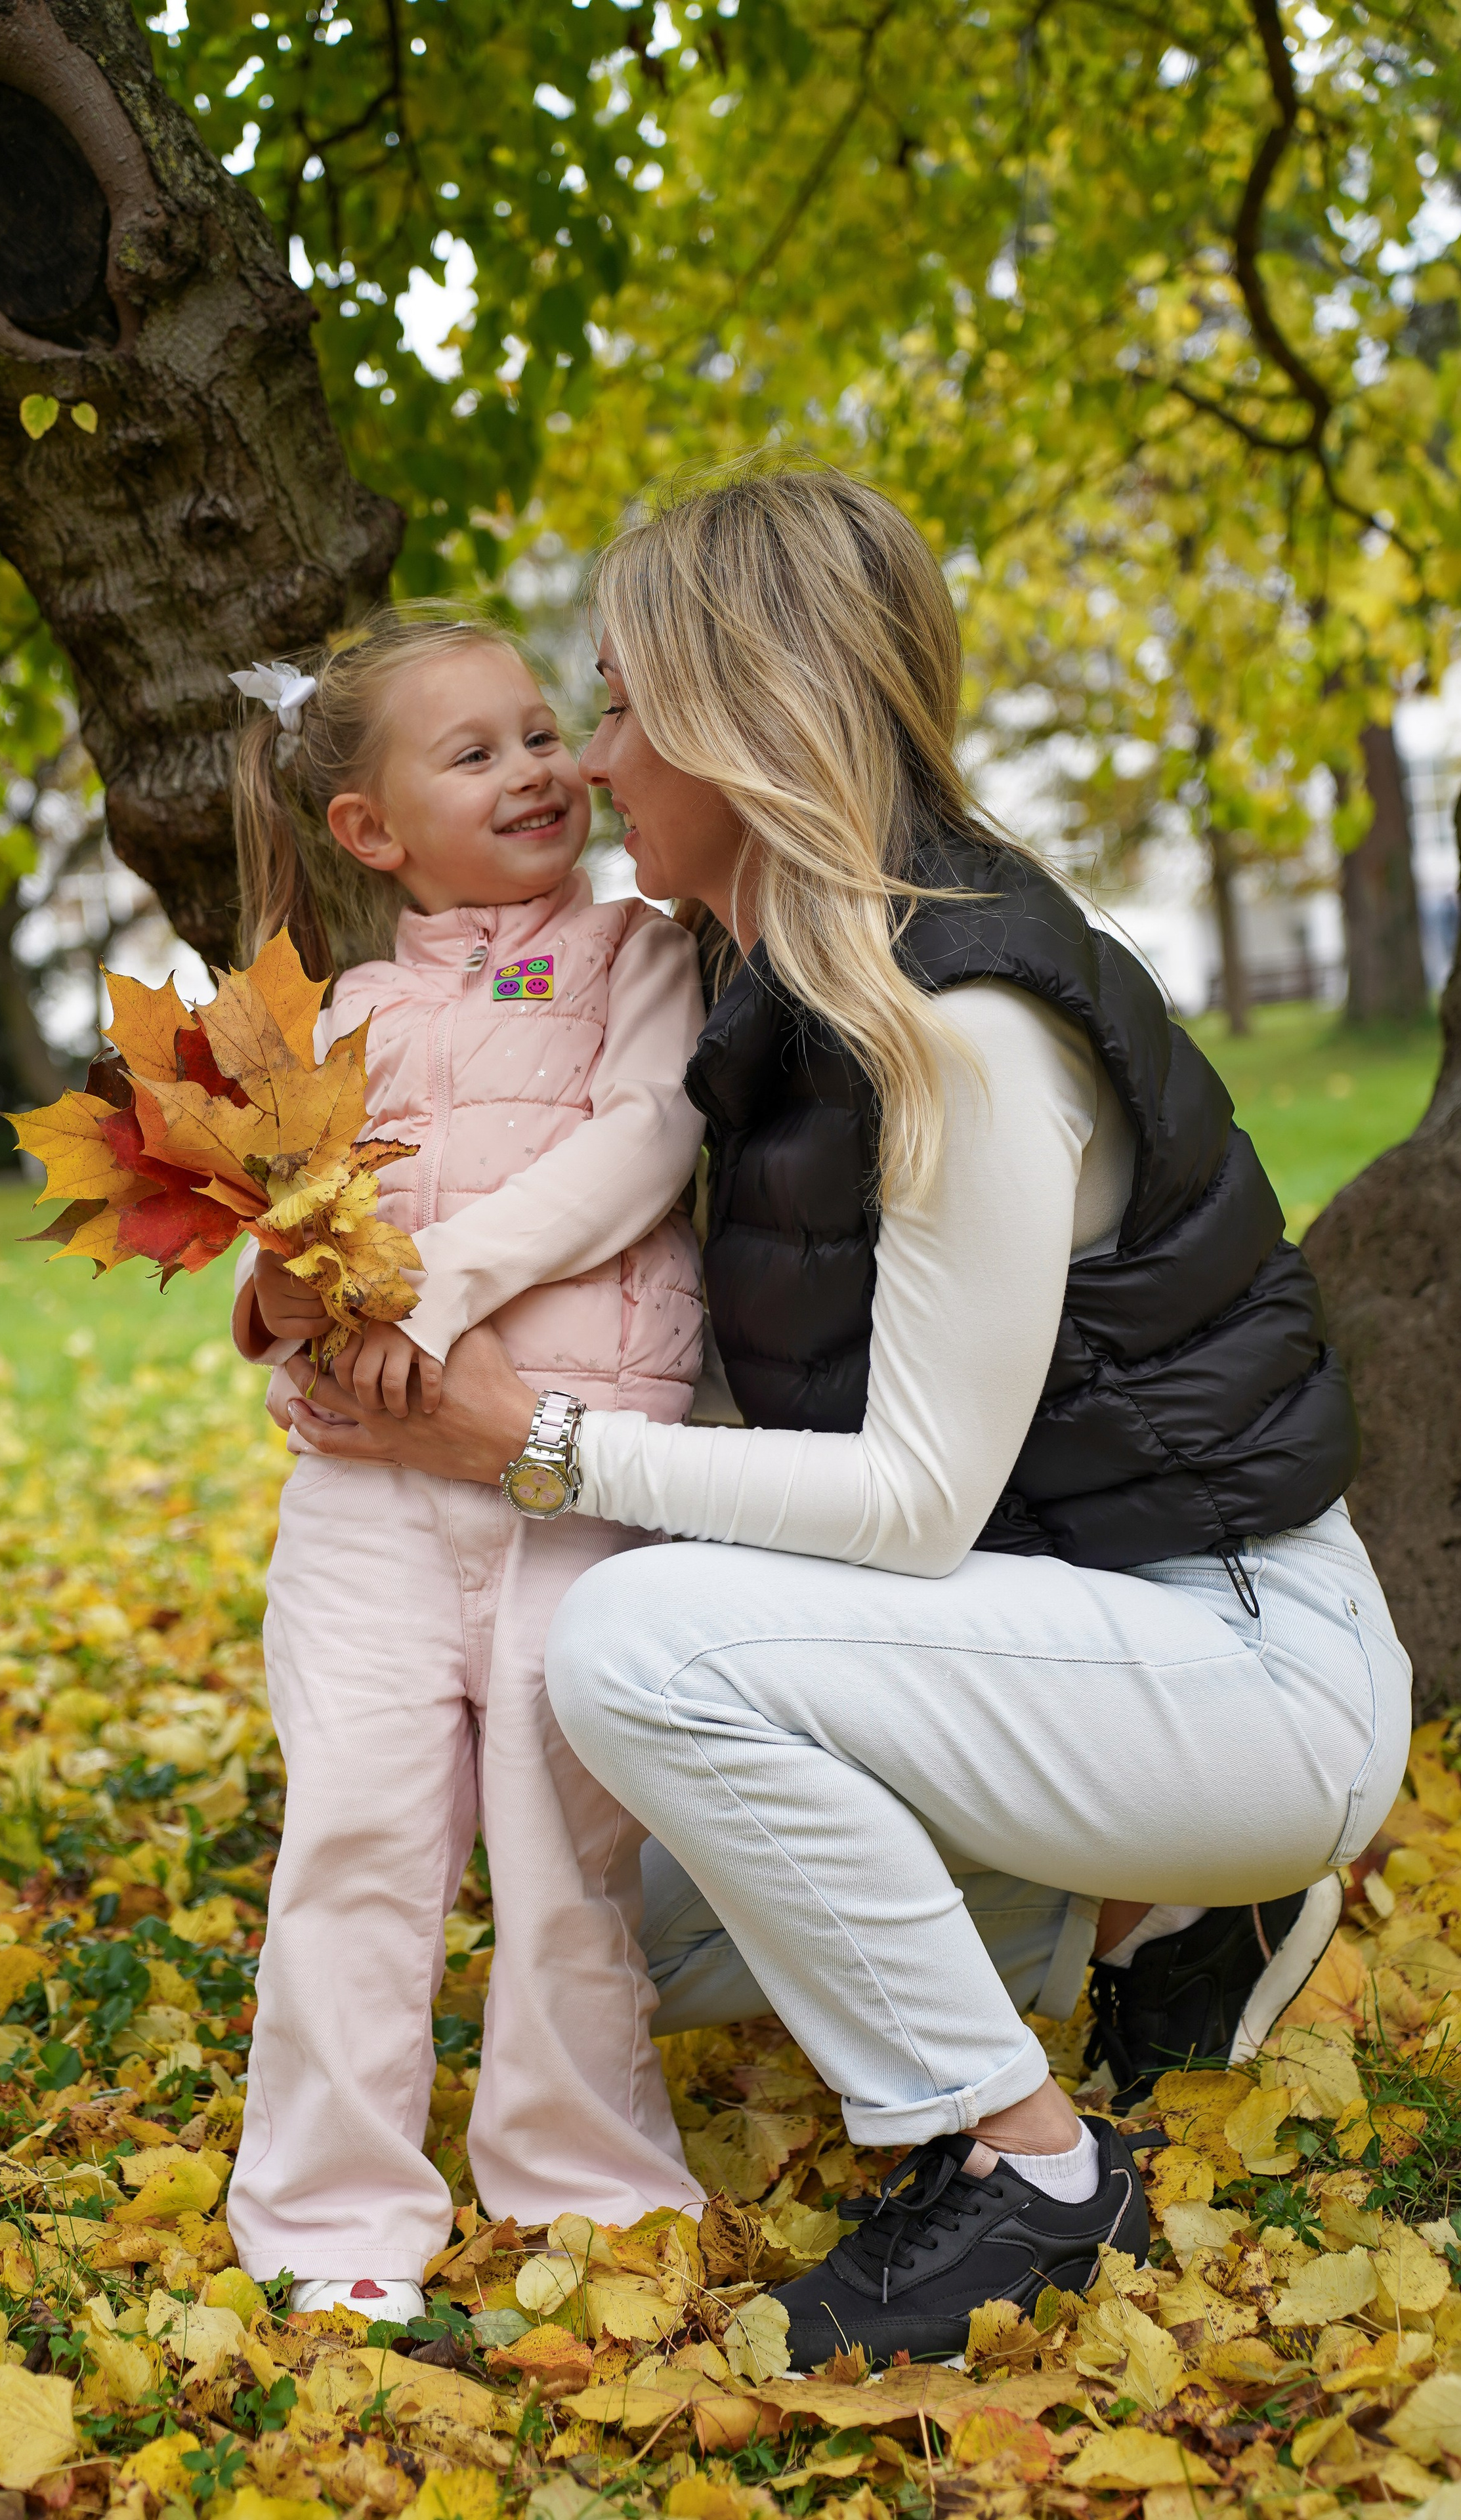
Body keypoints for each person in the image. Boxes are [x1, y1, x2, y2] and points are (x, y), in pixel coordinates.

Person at [268, 469, 1412, 2368]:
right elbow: (753, 1361)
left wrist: (522, 1447)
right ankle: (1136, 1919)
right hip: (1074, 1612)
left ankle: (1028, 2171)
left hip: (1235, 1652)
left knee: (637, 1650)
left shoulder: (959, 1022)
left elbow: (906, 1500)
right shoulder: (779, 981)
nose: (595, 763)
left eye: (622, 710)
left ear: (737, 722)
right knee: (652, 1928)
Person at [224, 609, 707, 2323]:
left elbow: (648, 1142)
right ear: (370, 830)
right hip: (363, 1499)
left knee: (563, 1840)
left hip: (569, 1473)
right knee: (354, 1830)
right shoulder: (326, 1016)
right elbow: (279, 1245)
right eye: (475, 749)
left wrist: (447, 1281)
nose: (538, 766)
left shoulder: (633, 954)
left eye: (541, 730)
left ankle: (584, 2169)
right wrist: (282, 1293)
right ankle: (329, 2206)